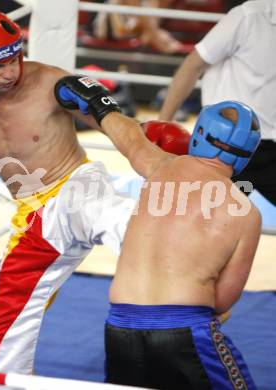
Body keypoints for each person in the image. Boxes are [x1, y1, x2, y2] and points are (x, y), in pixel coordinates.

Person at [0, 10, 190, 386]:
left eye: (14, 59)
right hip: (35, 215)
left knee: (125, 223)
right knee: (6, 325)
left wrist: (156, 162)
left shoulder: (51, 82)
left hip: (78, 185)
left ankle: (192, 281)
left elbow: (113, 124)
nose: (10, 72)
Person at [105, 100, 261, 389]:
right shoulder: (246, 213)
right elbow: (223, 301)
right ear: (247, 155)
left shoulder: (158, 167)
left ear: (200, 132)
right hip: (185, 327)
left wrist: (95, 103)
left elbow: (127, 135)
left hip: (119, 326)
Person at [159, 0, 276, 205]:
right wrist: (163, 124)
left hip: (271, 153)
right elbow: (192, 65)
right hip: (224, 150)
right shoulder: (248, 16)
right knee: (202, 221)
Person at [92, 0, 184, 53]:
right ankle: (154, 35)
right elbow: (137, 10)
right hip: (109, 24)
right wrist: (155, 35)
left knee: (152, 26)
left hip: (136, 26)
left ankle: (154, 35)